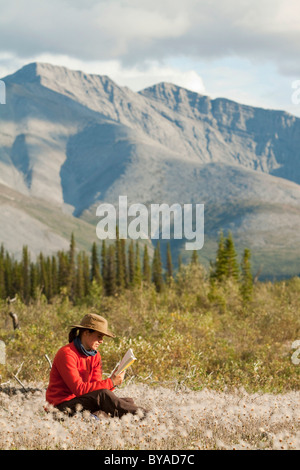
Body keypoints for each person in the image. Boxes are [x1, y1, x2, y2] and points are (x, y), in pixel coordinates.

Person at [46, 313, 146, 419]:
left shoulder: (95, 355)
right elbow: (79, 389)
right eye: (99, 336)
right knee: (108, 400)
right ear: (86, 333)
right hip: (59, 408)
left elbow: (96, 389)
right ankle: (146, 415)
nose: (101, 341)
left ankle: (94, 418)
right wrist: (111, 382)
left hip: (82, 404)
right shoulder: (67, 353)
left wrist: (113, 382)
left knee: (127, 401)